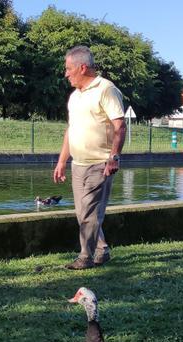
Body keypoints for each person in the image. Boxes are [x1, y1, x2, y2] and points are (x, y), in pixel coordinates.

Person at [53, 45, 126, 270]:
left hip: (100, 163)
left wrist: (114, 157)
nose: (66, 74)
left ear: (82, 68)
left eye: (69, 69)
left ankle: (85, 257)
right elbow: (71, 129)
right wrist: (62, 161)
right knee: (83, 213)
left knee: (89, 214)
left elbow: (120, 125)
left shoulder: (106, 89)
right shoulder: (75, 97)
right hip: (78, 164)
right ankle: (102, 250)